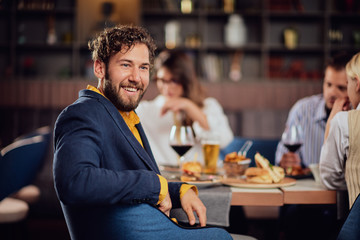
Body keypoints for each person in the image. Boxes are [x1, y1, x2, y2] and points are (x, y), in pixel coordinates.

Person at [53, 25, 232, 240]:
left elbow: (128, 183)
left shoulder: (125, 114)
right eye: (126, 65)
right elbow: (75, 182)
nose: (136, 77)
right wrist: (156, 185)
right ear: (99, 68)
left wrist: (178, 191)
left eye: (144, 67)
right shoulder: (83, 113)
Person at [136, 50, 233, 167]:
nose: (167, 87)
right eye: (162, 80)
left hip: (204, 177)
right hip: (168, 179)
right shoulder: (145, 110)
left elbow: (225, 140)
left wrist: (189, 107)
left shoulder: (208, 105)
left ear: (186, 81)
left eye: (174, 81)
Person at [275, 52, 352, 170]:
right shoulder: (302, 111)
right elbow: (281, 158)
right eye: (328, 84)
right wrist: (284, 162)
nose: (332, 92)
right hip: (306, 185)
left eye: (341, 88)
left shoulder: (356, 118)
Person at [320, 52, 360, 208]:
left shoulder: (343, 121)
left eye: (346, 84)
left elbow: (328, 179)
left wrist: (331, 122)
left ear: (357, 83)